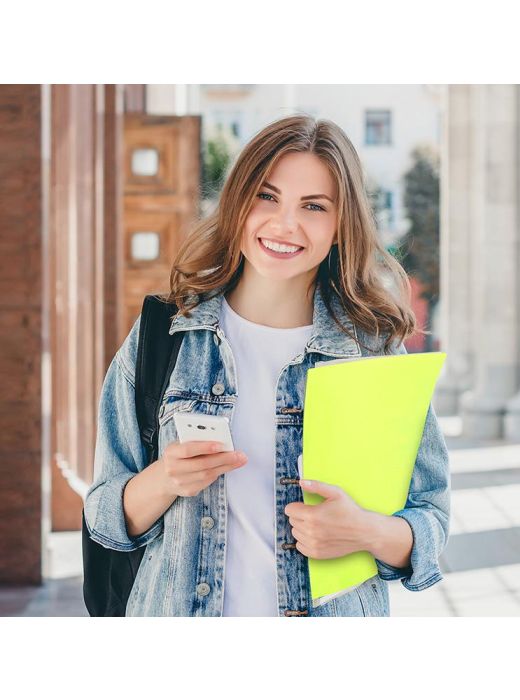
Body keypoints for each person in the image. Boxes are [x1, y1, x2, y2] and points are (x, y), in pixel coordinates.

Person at [83, 114, 451, 617]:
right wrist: (164, 479)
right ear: (238, 203)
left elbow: (430, 518)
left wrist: (366, 532)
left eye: (314, 206)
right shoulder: (164, 336)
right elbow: (103, 513)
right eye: (267, 196)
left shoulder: (373, 352)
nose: (285, 224)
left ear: (341, 225)